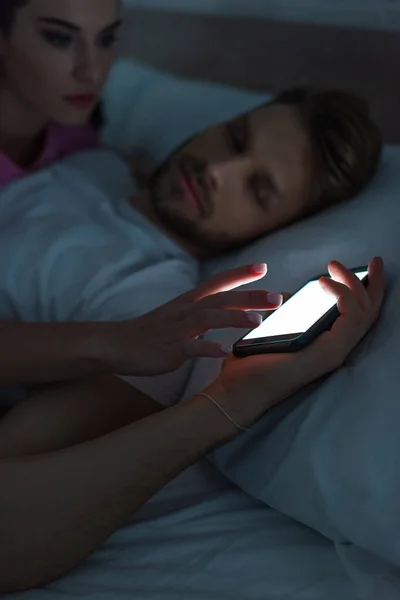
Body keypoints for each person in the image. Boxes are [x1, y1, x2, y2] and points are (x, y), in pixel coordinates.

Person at [0, 0, 383, 389]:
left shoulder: (151, 312)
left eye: (257, 189)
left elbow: (27, 448)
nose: (215, 170)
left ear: (279, 229)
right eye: (234, 138)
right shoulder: (100, 161)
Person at [0, 257, 386, 592]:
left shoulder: (152, 295)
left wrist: (229, 402)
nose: (222, 171)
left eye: (261, 189)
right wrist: (108, 341)